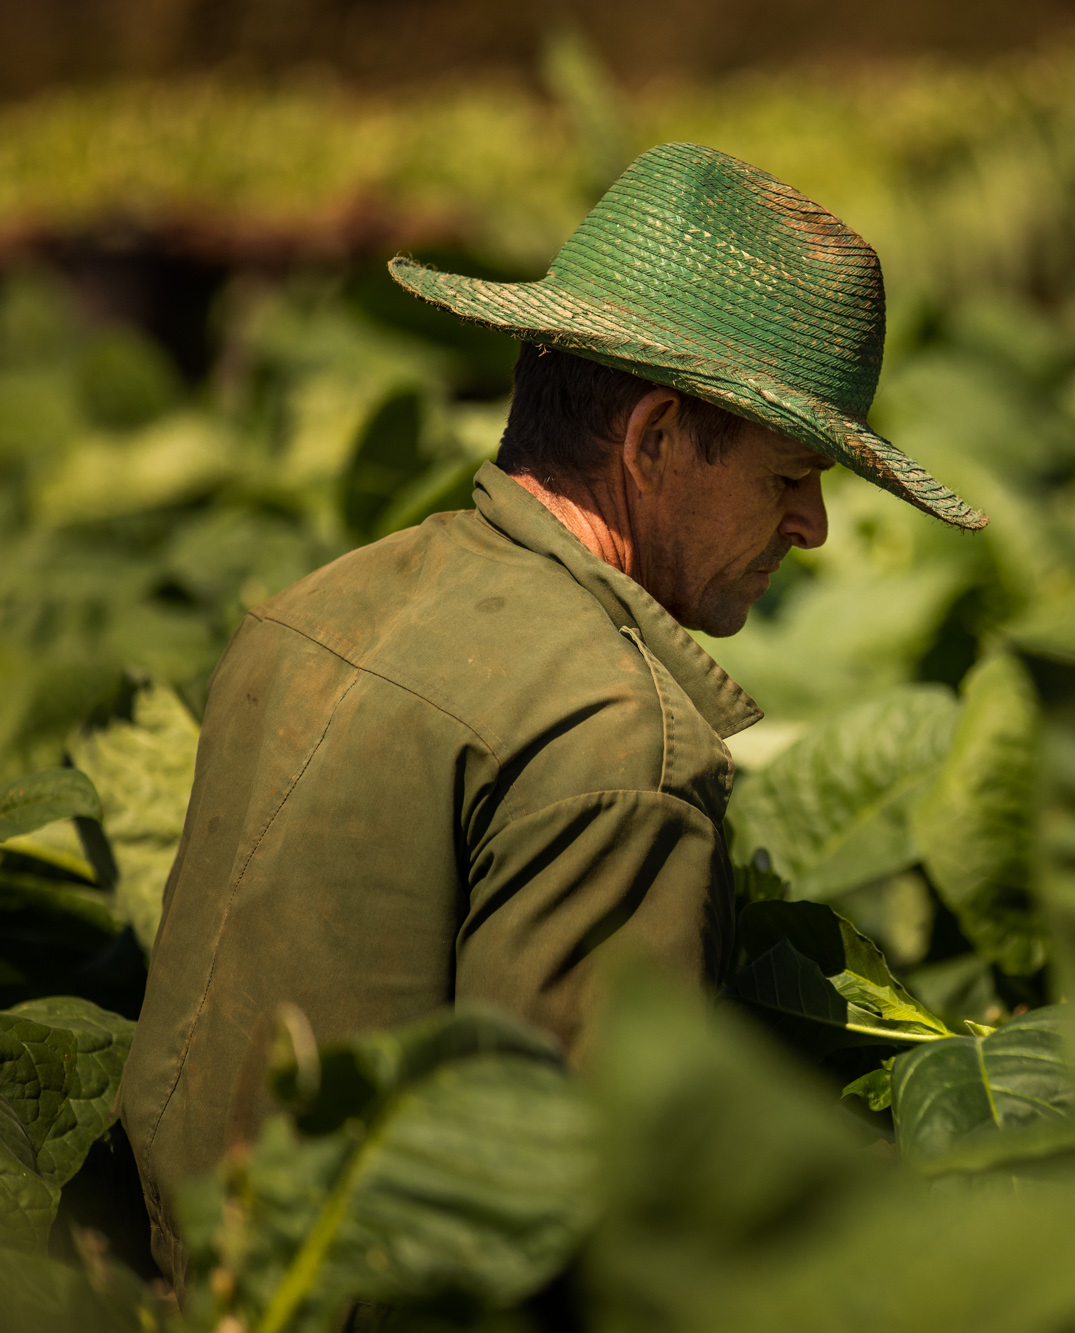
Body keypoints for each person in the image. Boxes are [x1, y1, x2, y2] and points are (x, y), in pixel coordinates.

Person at [119, 142, 985, 1282]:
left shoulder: (310, 610)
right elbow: (579, 1233)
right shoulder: (617, 740)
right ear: (653, 439)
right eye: (787, 475)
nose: (813, 526)